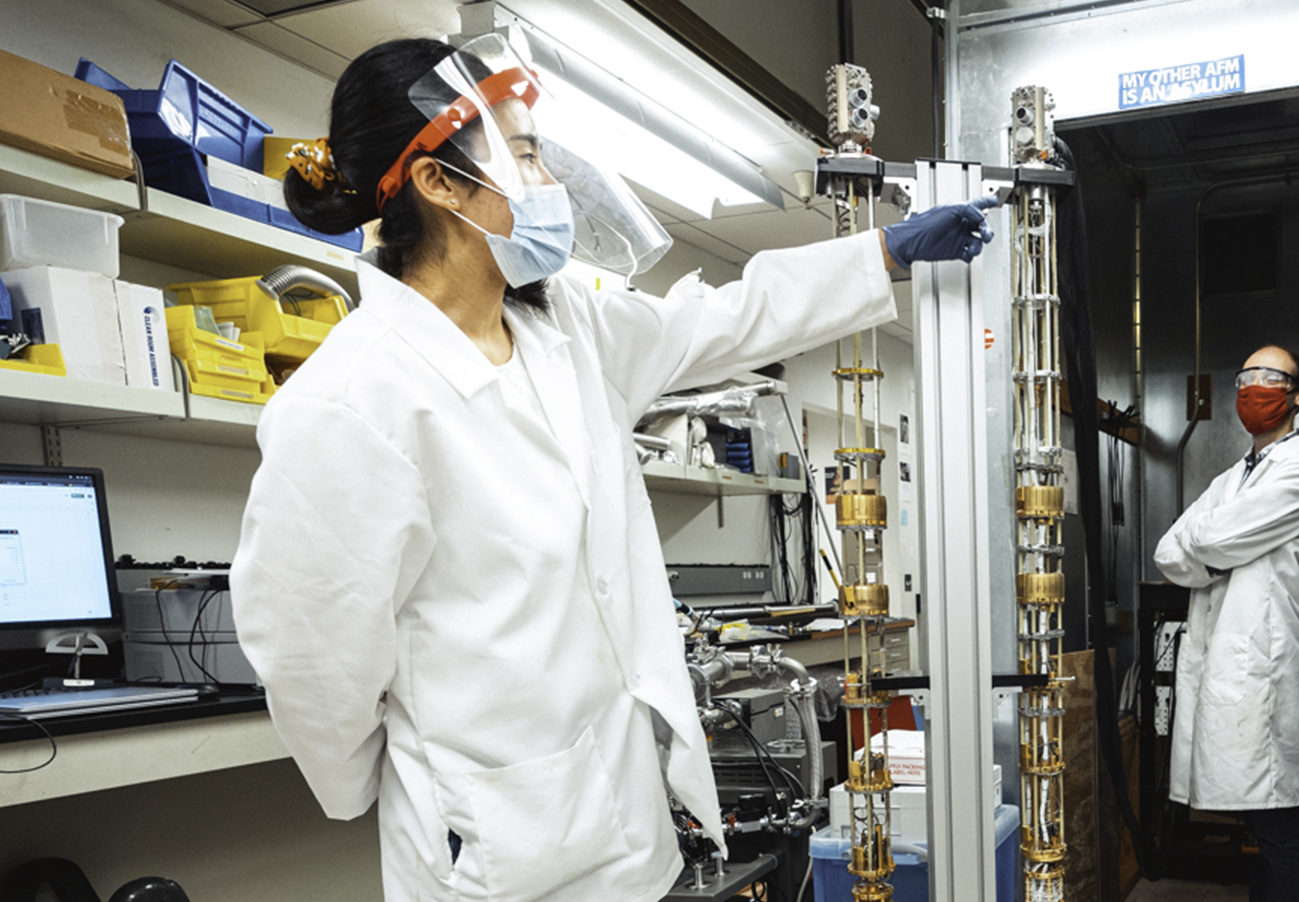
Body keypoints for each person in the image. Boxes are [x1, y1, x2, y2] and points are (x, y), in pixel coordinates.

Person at [230, 37, 996, 902]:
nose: (546, 180)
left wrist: (882, 254)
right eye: (521, 156)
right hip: (494, 848)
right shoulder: (350, 401)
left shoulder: (568, 333)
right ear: (437, 184)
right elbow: (312, 662)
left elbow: (723, 321)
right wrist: (428, 781)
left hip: (630, 827)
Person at [1154, 344, 1299, 902]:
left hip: (1264, 664)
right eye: (1247, 376)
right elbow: (1168, 550)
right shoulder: (1233, 477)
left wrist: (1209, 552)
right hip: (1227, 663)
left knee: (1278, 818)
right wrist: (1217, 551)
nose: (1255, 388)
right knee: (1258, 819)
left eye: (1271, 378)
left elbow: (1205, 539)